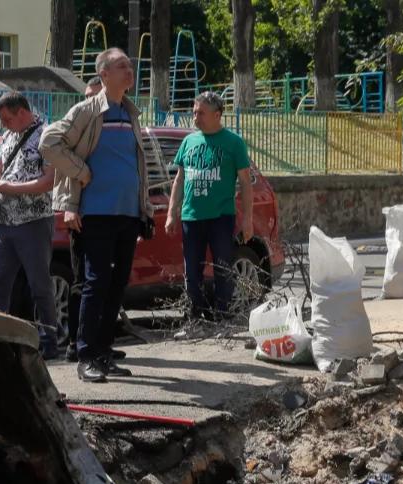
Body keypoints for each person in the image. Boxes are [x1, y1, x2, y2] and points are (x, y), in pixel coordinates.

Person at [40, 48, 152, 383]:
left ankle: (104, 352)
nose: (129, 71)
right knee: (94, 282)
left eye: (130, 66)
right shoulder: (88, 111)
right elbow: (49, 142)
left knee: (117, 285)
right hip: (96, 213)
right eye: (121, 66)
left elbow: (138, 166)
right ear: (103, 74)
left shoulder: (129, 112)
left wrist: (143, 208)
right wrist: (81, 171)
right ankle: (86, 354)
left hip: (127, 213)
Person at [0, 92, 59, 358]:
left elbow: (49, 181)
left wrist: (12, 188)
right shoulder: (10, 135)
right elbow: (0, 169)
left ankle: (49, 342)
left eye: (7, 118)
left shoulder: (47, 136)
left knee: (39, 285)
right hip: (6, 222)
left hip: (34, 222)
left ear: (22, 112)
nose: (4, 124)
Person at [165, 91, 253, 322]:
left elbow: (245, 182)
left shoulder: (234, 143)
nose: (196, 117)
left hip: (220, 217)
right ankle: (195, 318)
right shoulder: (189, 141)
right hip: (191, 217)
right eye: (194, 112)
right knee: (192, 272)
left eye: (201, 113)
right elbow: (179, 179)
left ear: (217, 115)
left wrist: (247, 220)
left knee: (222, 269)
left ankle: (222, 317)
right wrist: (172, 213)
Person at [64, 75, 107, 361]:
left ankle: (99, 342)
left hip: (109, 215)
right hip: (81, 215)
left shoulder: (110, 130)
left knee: (103, 282)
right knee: (81, 282)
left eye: (95, 97)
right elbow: (65, 171)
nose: (89, 103)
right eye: (87, 96)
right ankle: (74, 344)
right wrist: (70, 206)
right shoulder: (78, 133)